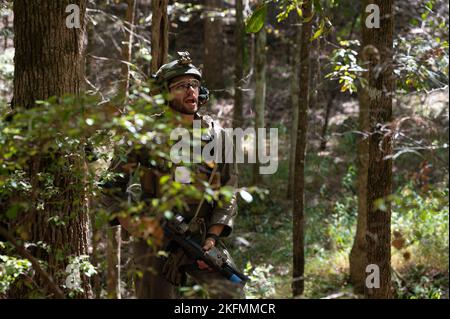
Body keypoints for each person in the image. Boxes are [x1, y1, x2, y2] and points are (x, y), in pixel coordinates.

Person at [102, 52, 244, 299]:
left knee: (231, 293)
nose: (191, 91)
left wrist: (212, 237)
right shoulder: (144, 134)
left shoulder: (218, 136)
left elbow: (228, 189)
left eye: (195, 85)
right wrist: (134, 224)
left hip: (199, 237)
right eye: (181, 86)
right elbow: (110, 186)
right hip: (156, 237)